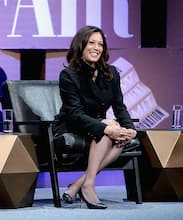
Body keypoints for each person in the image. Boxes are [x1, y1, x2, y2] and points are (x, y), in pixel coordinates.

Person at [54, 25, 137, 209]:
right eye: (91, 43)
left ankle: (79, 184)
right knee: (109, 127)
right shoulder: (68, 75)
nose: (96, 47)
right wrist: (107, 127)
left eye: (100, 44)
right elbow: (75, 114)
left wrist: (130, 128)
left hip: (98, 127)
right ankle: (88, 185)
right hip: (72, 124)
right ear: (81, 46)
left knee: (119, 135)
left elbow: (119, 106)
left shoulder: (111, 73)